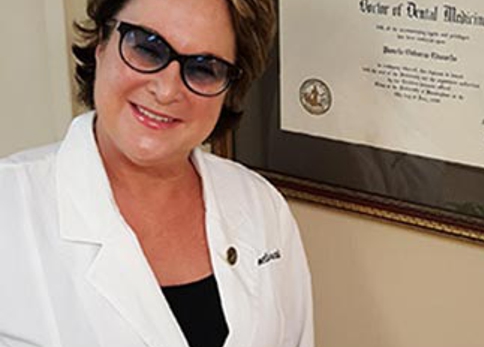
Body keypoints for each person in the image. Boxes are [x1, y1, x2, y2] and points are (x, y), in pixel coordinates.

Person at [0, 0, 313, 346]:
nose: (166, 91)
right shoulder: (10, 207)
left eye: (203, 68)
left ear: (228, 90)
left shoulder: (261, 206)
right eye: (147, 48)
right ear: (101, 44)